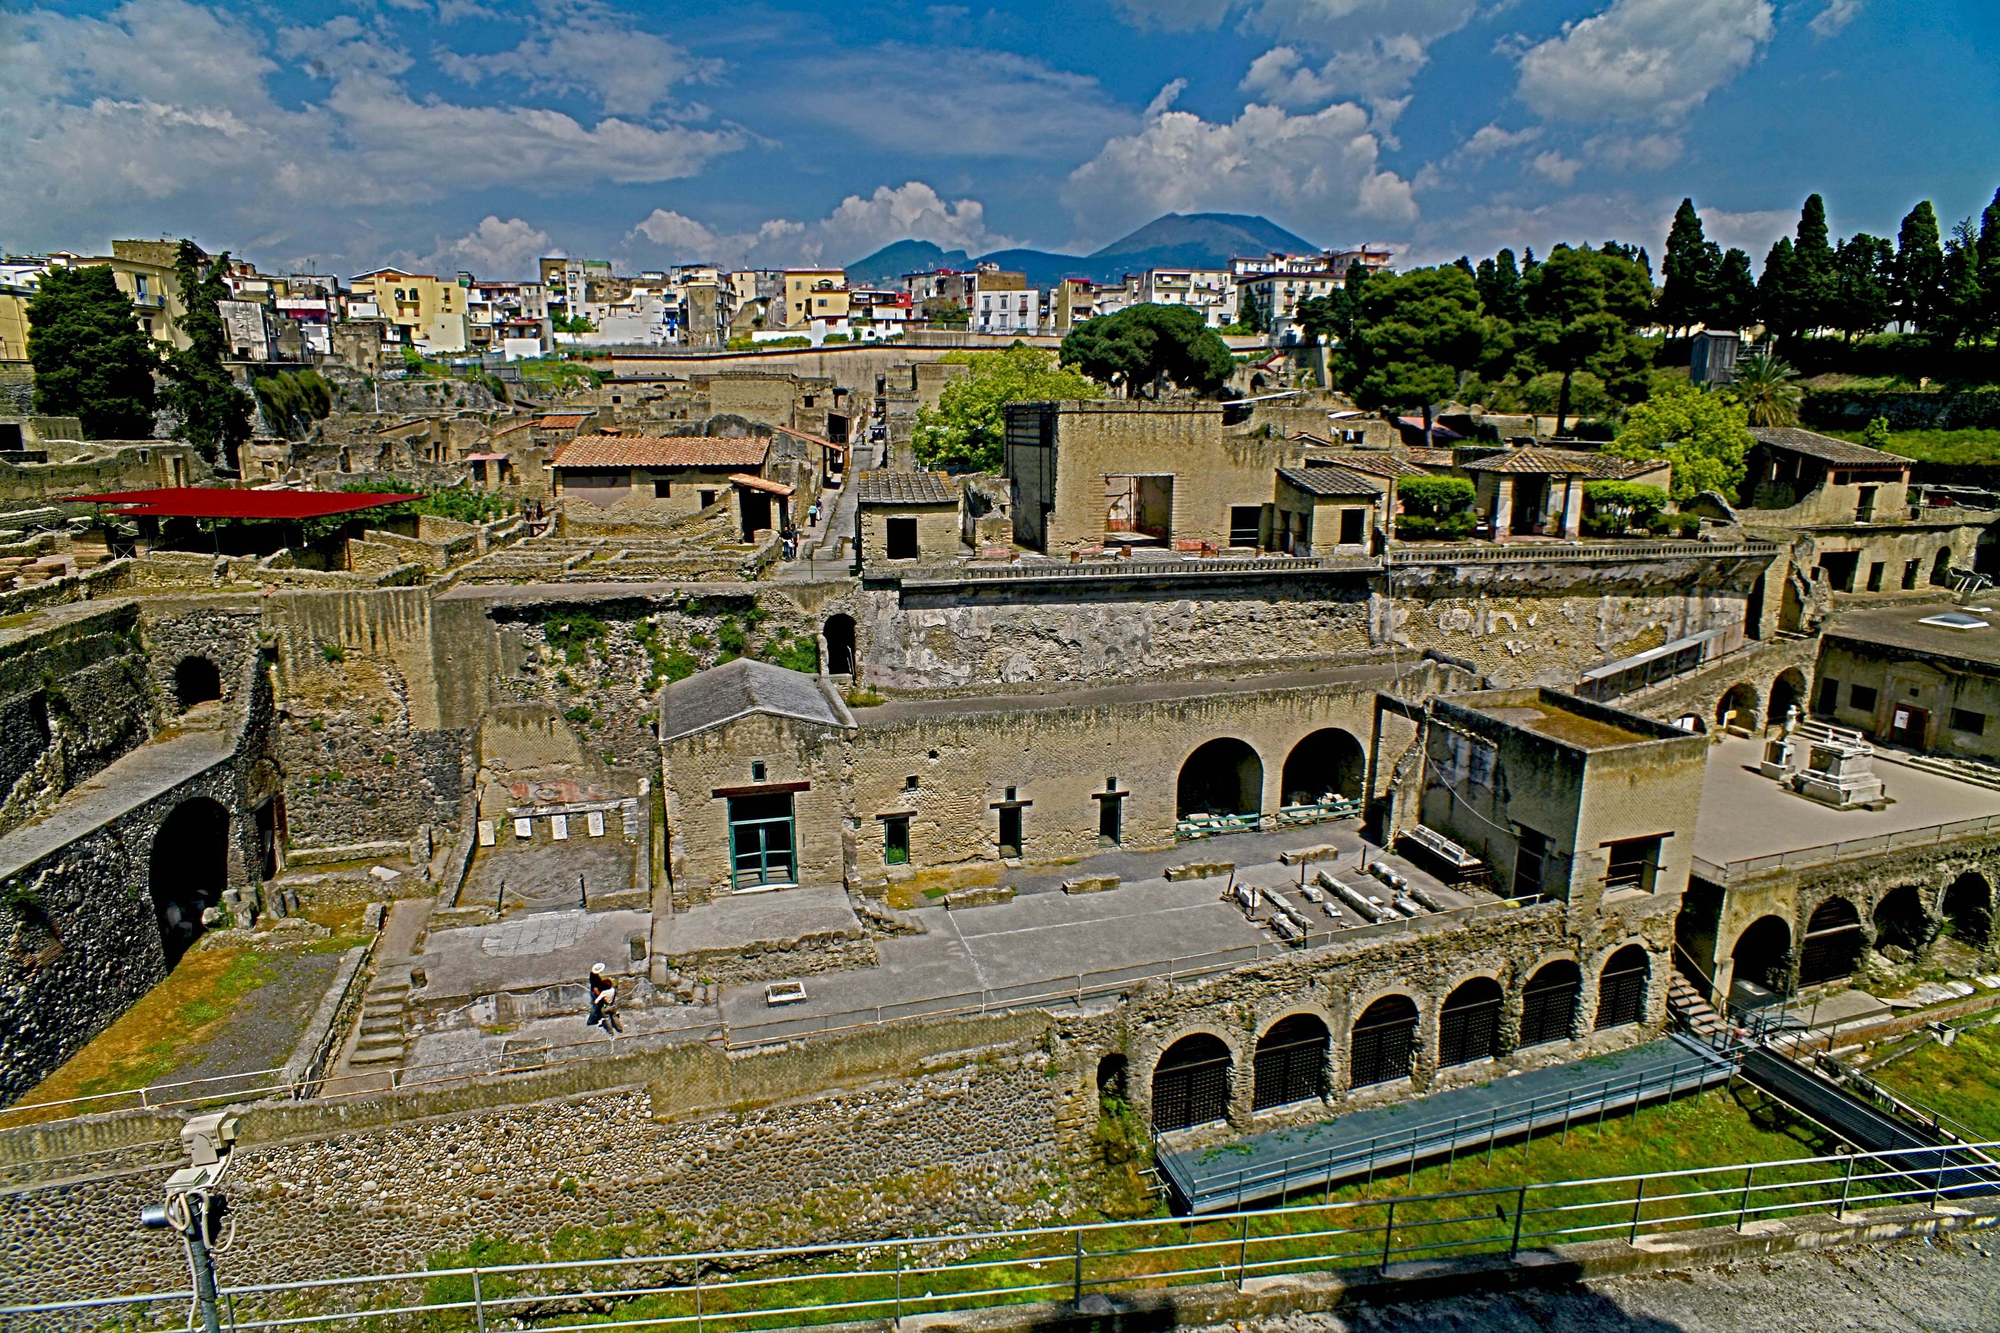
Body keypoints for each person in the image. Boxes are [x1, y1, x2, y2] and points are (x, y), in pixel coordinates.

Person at [587, 962, 623, 1034]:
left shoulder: (603, 992)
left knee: (607, 1018)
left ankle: (610, 1031)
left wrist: (602, 1001)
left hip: (605, 1006)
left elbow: (596, 1001)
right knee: (614, 1016)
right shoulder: (613, 990)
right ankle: (620, 1028)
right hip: (612, 1006)